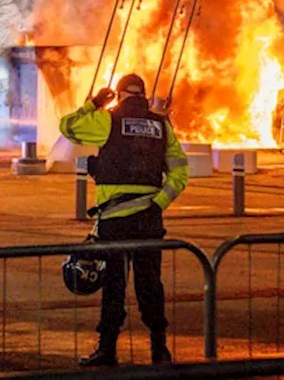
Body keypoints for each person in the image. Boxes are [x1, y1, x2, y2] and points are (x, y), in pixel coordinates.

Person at [60, 73, 189, 367]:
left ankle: (107, 350)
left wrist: (93, 104)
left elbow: (67, 126)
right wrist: (158, 203)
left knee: (114, 286)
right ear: (143, 94)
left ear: (118, 95)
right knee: (150, 284)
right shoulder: (162, 125)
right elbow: (180, 173)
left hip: (114, 221)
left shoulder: (109, 120)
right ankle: (160, 350)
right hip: (149, 223)